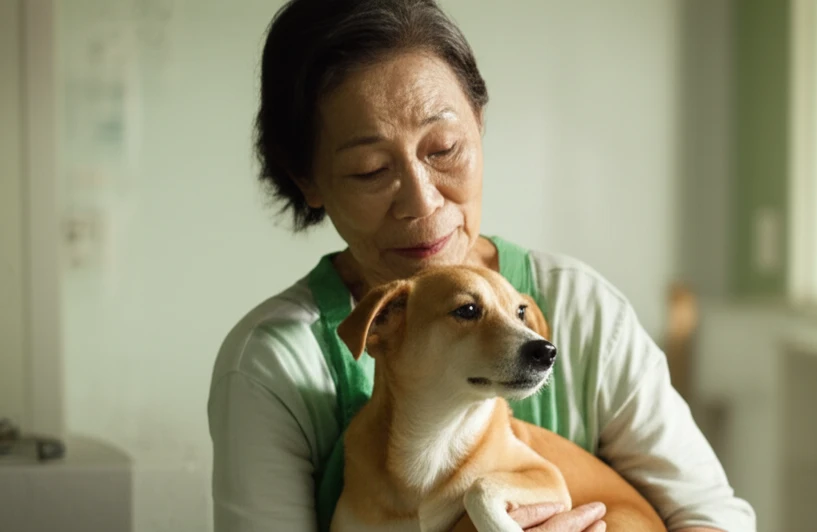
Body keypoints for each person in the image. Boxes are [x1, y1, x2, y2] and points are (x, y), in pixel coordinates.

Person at [206, 1, 756, 531]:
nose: (421, 202)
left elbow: (711, 515)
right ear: (306, 179)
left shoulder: (583, 309)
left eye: (443, 148)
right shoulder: (270, 363)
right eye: (371, 169)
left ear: (479, 122)